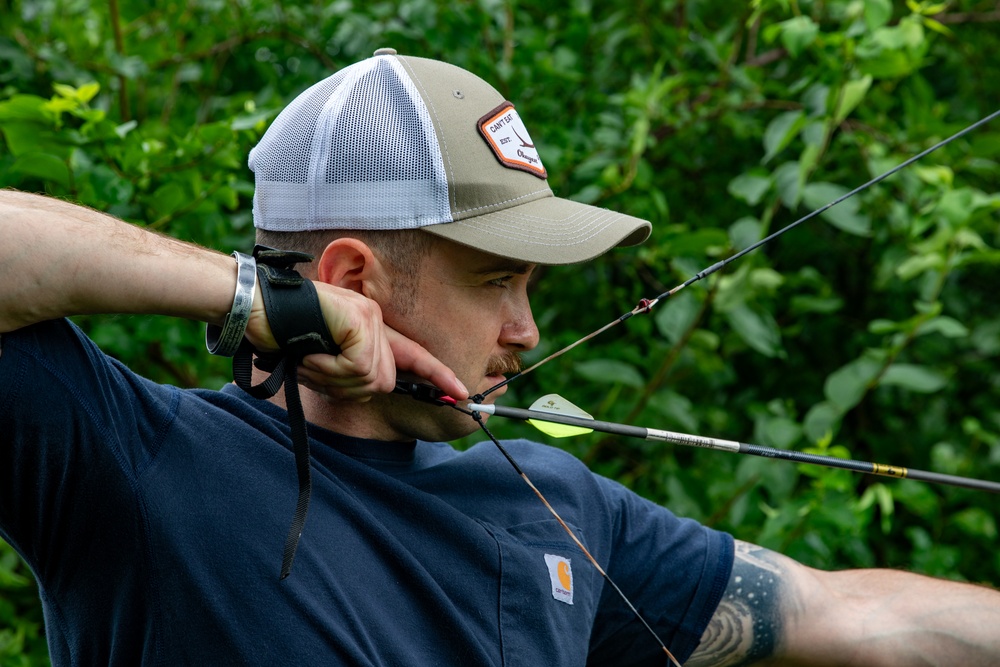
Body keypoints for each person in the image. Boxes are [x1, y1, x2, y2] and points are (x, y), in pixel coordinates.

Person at [1, 49, 998, 667]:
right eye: (495, 280)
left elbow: (852, 615)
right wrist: (268, 302)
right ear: (352, 274)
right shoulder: (133, 463)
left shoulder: (556, 509)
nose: (526, 329)